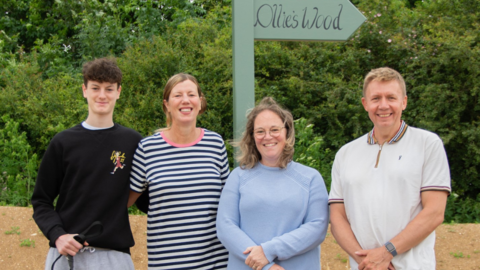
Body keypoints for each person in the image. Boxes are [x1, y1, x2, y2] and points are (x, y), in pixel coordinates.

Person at [329, 67, 451, 270]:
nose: (383, 105)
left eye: (391, 98)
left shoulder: (427, 143)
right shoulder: (345, 153)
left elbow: (434, 212)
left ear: (404, 101)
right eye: (376, 98)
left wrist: (387, 252)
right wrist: (367, 262)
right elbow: (337, 217)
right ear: (365, 104)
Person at [31, 57, 143, 270]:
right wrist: (58, 235)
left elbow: (145, 200)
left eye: (109, 89)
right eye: (95, 88)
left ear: (119, 92)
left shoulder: (134, 142)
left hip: (114, 256)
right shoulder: (63, 142)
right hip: (66, 254)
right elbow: (41, 201)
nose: (102, 95)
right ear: (84, 90)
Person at [128, 73, 230, 269]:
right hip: (167, 263)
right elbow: (124, 201)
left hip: (215, 263)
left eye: (191, 94)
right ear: (166, 104)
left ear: (200, 102)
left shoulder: (215, 143)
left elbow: (229, 203)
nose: (185, 100)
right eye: (178, 95)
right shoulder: (147, 149)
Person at [216, 97, 329, 270]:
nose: (267, 137)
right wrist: (268, 266)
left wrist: (268, 251)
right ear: (252, 136)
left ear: (287, 132)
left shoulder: (311, 178)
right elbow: (225, 226)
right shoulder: (238, 177)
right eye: (260, 131)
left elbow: (317, 227)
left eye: (274, 129)